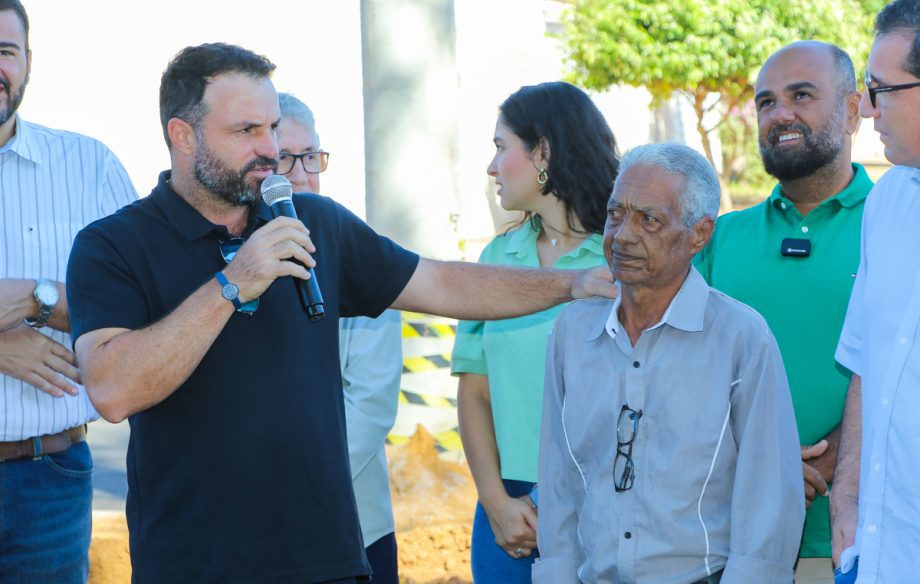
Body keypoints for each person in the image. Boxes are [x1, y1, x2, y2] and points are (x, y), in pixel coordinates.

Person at [65, 43, 614, 584]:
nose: (269, 148)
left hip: (327, 561)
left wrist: (573, 283)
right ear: (182, 136)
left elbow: (442, 282)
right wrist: (234, 283)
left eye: (273, 127)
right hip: (193, 564)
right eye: (246, 131)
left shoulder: (315, 222)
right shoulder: (112, 245)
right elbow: (113, 390)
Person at [534, 143, 805, 584]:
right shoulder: (572, 333)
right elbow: (559, 477)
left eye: (649, 220)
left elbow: (768, 497)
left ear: (699, 235)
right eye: (615, 213)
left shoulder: (741, 338)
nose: (622, 236)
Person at [694, 41, 868, 583]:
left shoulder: (899, 224)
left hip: (858, 542)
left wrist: (834, 456)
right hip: (729, 540)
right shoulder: (719, 238)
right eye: (766, 102)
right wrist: (762, 461)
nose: (780, 114)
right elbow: (681, 371)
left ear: (852, 109)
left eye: (801, 96)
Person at [450, 81, 619, 583]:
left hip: (612, 506)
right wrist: (495, 501)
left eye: (502, 147)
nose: (492, 166)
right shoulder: (496, 259)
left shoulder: (624, 256)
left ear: (542, 151)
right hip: (510, 515)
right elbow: (474, 392)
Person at [0, 1, 138, 581]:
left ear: (29, 61)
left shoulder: (90, 167)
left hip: (47, 479)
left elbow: (144, 308)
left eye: (5, 51)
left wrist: (40, 298)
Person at [278, 92, 403, 584]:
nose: (302, 173)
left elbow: (370, 403)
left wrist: (286, 486)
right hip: (247, 532)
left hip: (352, 525)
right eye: (285, 159)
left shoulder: (353, 251)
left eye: (311, 156)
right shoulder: (225, 263)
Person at [831, 1, 920, 582]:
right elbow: (867, 359)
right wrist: (846, 493)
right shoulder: (886, 202)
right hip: (882, 553)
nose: (865, 109)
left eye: (879, 88)